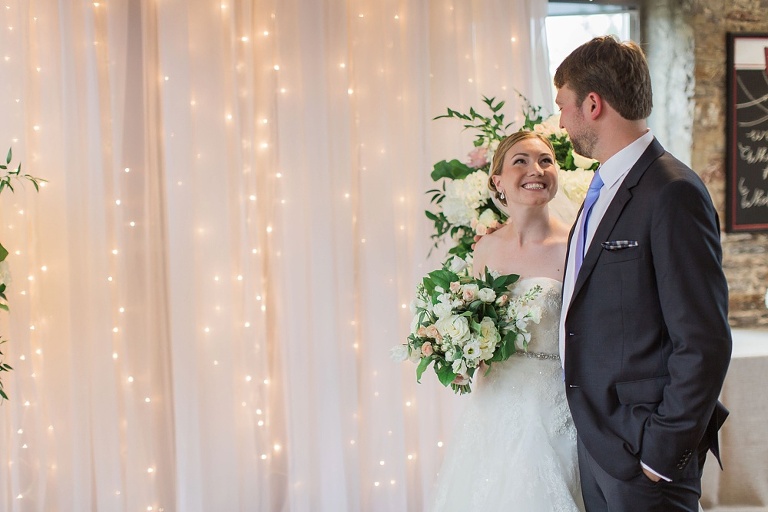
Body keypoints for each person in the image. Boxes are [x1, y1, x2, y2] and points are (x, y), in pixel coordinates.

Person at [555, 36, 732, 511]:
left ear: (593, 104)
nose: (560, 121)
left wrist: (661, 451)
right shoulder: (602, 186)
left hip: (644, 457)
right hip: (599, 445)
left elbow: (705, 339)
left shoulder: (673, 192)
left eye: (563, 106)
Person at [431, 131, 585, 511]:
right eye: (521, 160)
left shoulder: (576, 247)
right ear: (497, 181)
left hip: (553, 406)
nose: (536, 169)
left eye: (546, 160)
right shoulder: (485, 248)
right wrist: (460, 352)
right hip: (492, 405)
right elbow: (477, 323)